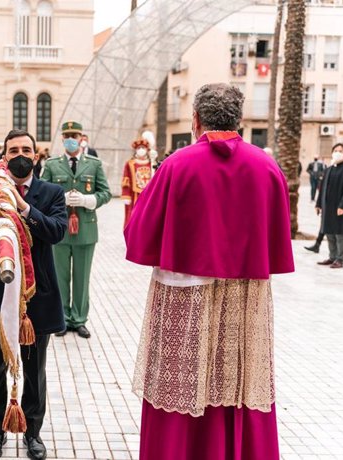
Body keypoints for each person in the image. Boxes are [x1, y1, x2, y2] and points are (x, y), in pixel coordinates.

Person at [125, 83, 294, 460]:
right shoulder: (266, 166)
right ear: (241, 120)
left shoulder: (176, 164)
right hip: (244, 295)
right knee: (238, 381)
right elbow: (278, 235)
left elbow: (138, 231)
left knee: (180, 384)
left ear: (196, 119)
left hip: (185, 293)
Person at [0, 129, 67, 460]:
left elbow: (55, 231)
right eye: (13, 150)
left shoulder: (51, 192)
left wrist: (22, 205)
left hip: (38, 297)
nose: (20, 154)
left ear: (36, 156)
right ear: (4, 156)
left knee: (34, 369)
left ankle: (33, 433)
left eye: (26, 149)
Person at [41, 121, 111, 339]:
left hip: (85, 230)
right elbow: (41, 191)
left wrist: (88, 200)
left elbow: (105, 192)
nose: (71, 139)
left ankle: (79, 320)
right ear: (62, 139)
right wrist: (59, 198)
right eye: (67, 136)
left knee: (81, 277)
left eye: (75, 135)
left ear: (82, 138)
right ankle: (61, 318)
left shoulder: (94, 164)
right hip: (60, 229)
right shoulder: (52, 164)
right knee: (60, 277)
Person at [315, 143, 343, 269]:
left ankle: (340, 259)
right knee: (329, 233)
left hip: (340, 207)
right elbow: (322, 188)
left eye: (340, 151)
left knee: (340, 233)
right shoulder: (329, 169)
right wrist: (318, 204)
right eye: (335, 150)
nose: (337, 152)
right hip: (328, 207)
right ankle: (332, 257)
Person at [121, 137, 155, 228]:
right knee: (134, 218)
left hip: (150, 194)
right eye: (139, 148)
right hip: (134, 195)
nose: (141, 150)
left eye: (143, 148)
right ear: (135, 150)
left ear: (147, 150)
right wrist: (126, 195)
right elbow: (126, 180)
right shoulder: (130, 163)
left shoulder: (152, 163)